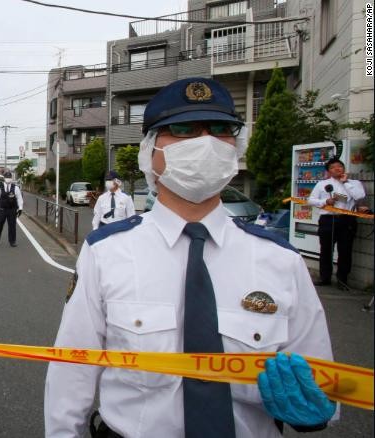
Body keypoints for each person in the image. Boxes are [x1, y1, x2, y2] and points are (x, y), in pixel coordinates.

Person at [45, 78, 336, 438]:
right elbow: (72, 371)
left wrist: (315, 408)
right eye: (182, 129)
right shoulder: (106, 252)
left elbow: (322, 381)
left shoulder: (280, 260)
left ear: (235, 147)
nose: (204, 142)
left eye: (220, 130)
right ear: (150, 150)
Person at [307, 157, 366, 290]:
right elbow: (310, 200)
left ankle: (342, 280)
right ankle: (325, 277)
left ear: (343, 168)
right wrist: (325, 202)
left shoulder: (354, 183)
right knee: (326, 250)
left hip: (347, 219)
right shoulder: (322, 184)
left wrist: (346, 183)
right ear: (328, 171)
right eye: (333, 167)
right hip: (328, 219)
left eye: (339, 166)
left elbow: (359, 196)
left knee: (345, 250)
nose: (337, 169)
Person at [0, 170, 23, 247]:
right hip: (2, 209)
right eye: (6, 177)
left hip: (12, 210)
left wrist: (20, 208)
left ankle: (12, 241)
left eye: (9, 177)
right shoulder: (0, 187)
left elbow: (19, 198)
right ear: (4, 178)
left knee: (12, 226)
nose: (8, 178)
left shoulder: (15, 188)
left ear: (11, 178)